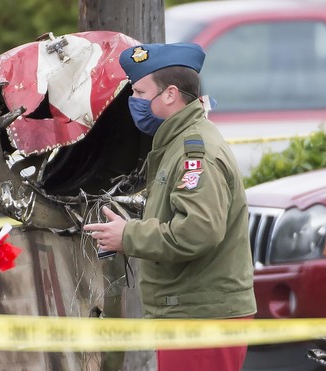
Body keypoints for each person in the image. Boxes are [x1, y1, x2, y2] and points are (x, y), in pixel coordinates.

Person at [83, 43, 257, 371]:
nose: (133, 101)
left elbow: (197, 232)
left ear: (170, 94)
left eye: (138, 91)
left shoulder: (195, 152)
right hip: (191, 311)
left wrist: (129, 236)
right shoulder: (177, 143)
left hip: (203, 316)